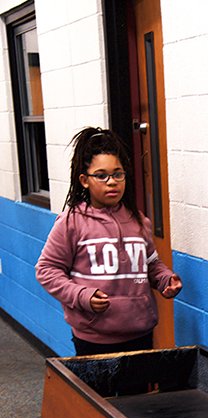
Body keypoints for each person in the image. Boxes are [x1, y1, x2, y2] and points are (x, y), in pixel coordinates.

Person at [35, 126, 182, 355]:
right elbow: (47, 270)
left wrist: (165, 279)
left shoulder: (138, 221)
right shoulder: (71, 222)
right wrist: (82, 296)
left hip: (140, 332)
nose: (111, 182)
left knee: (138, 392)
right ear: (84, 180)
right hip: (94, 338)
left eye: (118, 174)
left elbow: (151, 264)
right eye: (101, 175)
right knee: (96, 392)